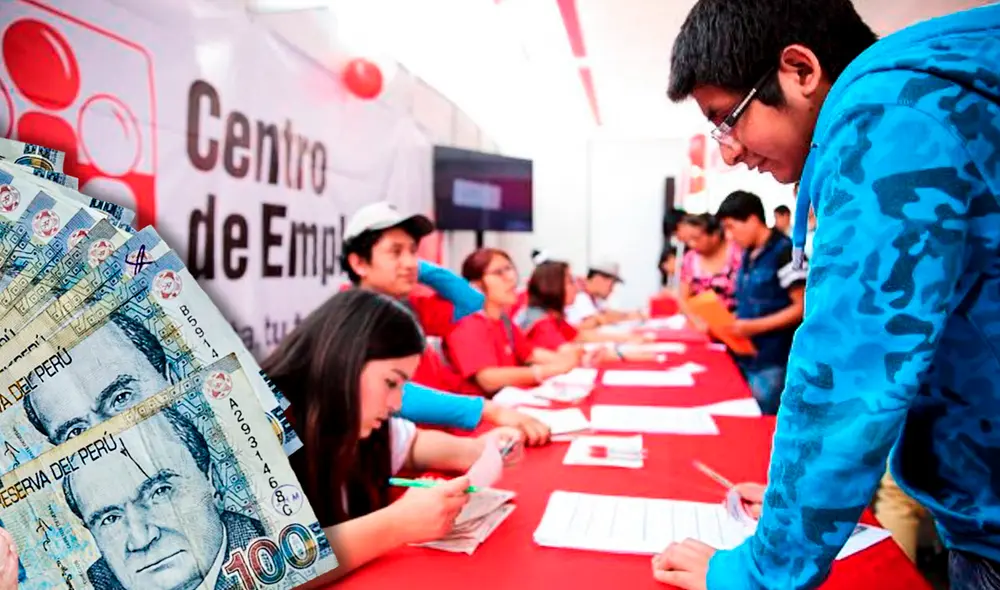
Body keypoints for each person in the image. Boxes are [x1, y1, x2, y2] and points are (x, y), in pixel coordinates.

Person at [656, 1, 1000, 589]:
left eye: (726, 119)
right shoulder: (929, 90)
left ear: (800, 71)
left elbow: (851, 370)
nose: (729, 151)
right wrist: (802, 504)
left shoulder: (886, 117)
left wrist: (763, 569)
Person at [261, 289, 519, 581]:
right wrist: (398, 523)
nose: (397, 404)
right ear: (345, 358)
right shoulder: (255, 426)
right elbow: (260, 568)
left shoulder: (353, 419)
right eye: (391, 382)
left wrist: (483, 450)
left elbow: (412, 444)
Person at [341, 201, 550, 445]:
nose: (410, 262)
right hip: (404, 452)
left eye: (413, 251)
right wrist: (485, 410)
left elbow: (472, 301)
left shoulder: (407, 306)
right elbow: (386, 392)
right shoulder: (351, 317)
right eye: (395, 251)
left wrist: (411, 268)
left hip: (440, 436)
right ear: (359, 263)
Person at [63, 409, 266, 590]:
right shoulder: (92, 583)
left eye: (160, 492)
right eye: (109, 519)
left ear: (214, 485)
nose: (141, 539)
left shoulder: (271, 543)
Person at [715, 191, 806, 414]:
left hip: (774, 359)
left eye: (731, 226)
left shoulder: (786, 252)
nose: (729, 235)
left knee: (765, 423)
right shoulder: (748, 254)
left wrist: (753, 327)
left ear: (753, 219)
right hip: (747, 355)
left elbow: (803, 307)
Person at [444, 248, 580, 397]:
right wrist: (549, 370)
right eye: (498, 272)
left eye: (509, 269)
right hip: (483, 412)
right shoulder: (467, 323)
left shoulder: (503, 321)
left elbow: (530, 354)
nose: (511, 277)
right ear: (475, 285)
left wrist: (567, 361)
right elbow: (488, 379)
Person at [676, 213, 742, 311]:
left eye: (696, 238)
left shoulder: (738, 253)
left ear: (715, 235)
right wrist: (696, 321)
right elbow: (683, 299)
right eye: (688, 240)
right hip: (702, 322)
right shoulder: (690, 259)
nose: (691, 244)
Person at [564, 261, 644, 328]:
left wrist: (634, 314)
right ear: (598, 279)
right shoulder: (580, 296)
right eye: (611, 285)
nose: (612, 290)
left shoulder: (593, 297)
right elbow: (601, 319)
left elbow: (608, 313)